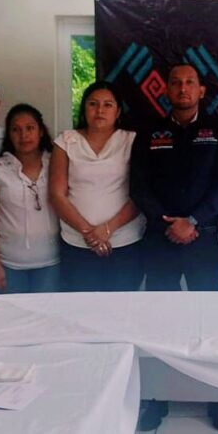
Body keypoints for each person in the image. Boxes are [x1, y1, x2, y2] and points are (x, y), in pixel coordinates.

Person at [129, 63, 218, 433]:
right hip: (160, 240)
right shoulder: (149, 132)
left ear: (201, 91)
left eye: (190, 82)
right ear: (166, 90)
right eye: (176, 83)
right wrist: (169, 223)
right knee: (160, 321)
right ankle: (157, 397)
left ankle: (216, 396)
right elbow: (138, 186)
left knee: (208, 321)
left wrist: (191, 221)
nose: (183, 88)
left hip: (202, 239)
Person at [48, 82, 143, 292]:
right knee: (81, 306)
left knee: (121, 307)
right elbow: (57, 194)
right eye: (93, 104)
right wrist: (90, 234)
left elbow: (141, 194)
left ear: (118, 112)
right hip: (77, 243)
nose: (100, 110)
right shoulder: (66, 141)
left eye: (108, 105)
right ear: (84, 108)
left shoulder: (132, 140)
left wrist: (107, 229)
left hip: (124, 243)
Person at [0, 104, 60, 294]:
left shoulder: (57, 164)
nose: (23, 135)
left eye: (30, 128)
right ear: (8, 135)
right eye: (16, 130)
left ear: (41, 131)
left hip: (51, 263)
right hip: (9, 264)